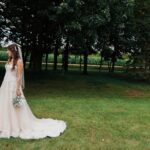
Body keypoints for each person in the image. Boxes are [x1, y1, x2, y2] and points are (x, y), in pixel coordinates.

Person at [0, 42, 67, 139]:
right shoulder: (9, 60)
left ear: (13, 51)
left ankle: (16, 126)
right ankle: (4, 125)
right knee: (4, 104)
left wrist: (17, 89)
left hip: (13, 85)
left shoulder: (19, 61)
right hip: (5, 85)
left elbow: (19, 76)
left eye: (8, 50)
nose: (7, 52)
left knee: (15, 106)